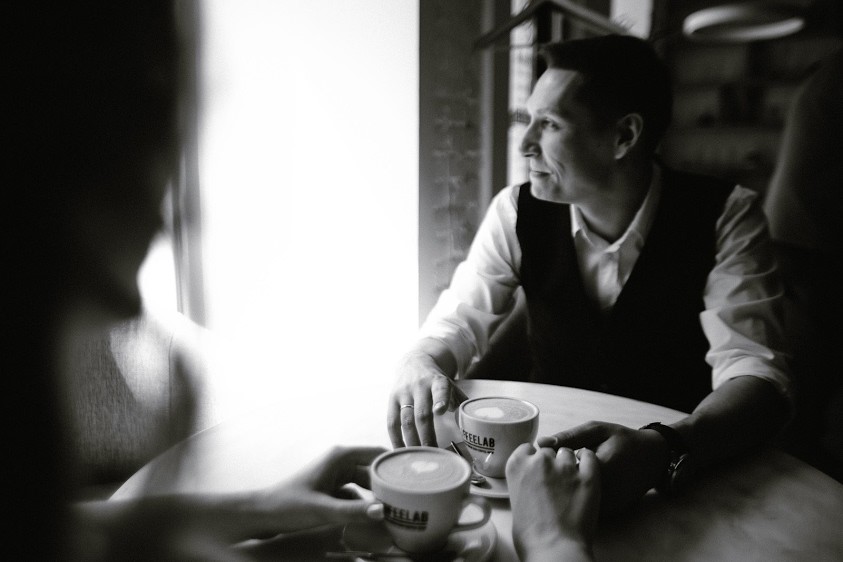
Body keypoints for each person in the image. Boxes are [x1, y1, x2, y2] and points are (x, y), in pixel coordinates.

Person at [5, 2, 599, 559]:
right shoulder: (516, 212)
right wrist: (553, 542)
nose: (167, 223)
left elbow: (65, 528)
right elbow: (460, 316)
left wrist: (264, 510)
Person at [389, 34, 793, 514]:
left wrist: (665, 446)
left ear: (624, 136)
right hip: (545, 464)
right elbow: (458, 322)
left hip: (680, 479)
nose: (525, 145)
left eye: (550, 124)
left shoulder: (727, 215)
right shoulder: (514, 211)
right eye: (528, 120)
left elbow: (757, 376)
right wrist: (420, 361)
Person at [762, 47, 843, 482]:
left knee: (808, 354)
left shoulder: (826, 71)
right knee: (810, 357)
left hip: (797, 233)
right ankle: (798, 462)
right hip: (811, 240)